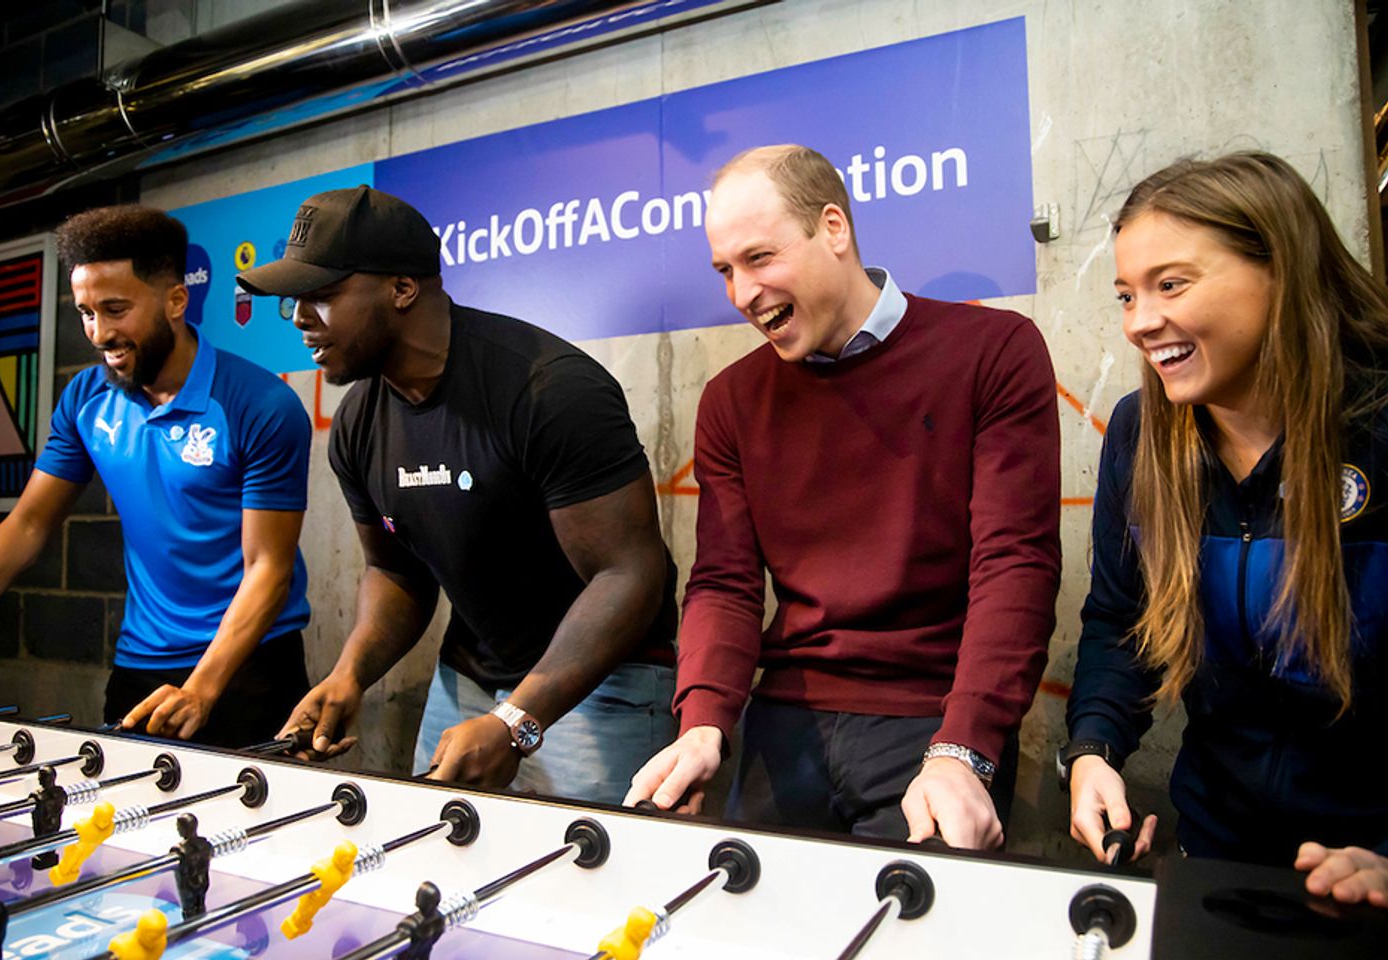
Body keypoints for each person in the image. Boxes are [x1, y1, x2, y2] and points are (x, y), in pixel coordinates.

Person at [624, 145, 1062, 847]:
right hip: (782, 727)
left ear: (834, 229)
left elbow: (1016, 564)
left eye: (760, 258)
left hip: (933, 728)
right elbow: (724, 582)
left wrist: (965, 748)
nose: (741, 294)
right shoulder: (730, 402)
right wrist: (704, 723)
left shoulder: (994, 352)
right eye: (725, 271)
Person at [240, 186, 678, 805]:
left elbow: (629, 574)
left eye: (323, 295)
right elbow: (394, 571)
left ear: (402, 288)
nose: (300, 318)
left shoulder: (549, 390)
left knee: (588, 890)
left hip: (604, 683)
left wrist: (517, 720)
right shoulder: (360, 423)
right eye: (294, 301)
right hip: (468, 679)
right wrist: (350, 674)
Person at [1063, 152, 1388, 908]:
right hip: (1215, 851)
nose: (1141, 323)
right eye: (1126, 295)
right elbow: (1121, 625)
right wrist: (1091, 752)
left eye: (1171, 284)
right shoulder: (1141, 434)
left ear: (1280, 269)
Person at [0, 205, 312, 748]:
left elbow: (269, 568)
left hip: (250, 665)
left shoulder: (260, 405)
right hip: (140, 663)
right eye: (86, 312)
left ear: (175, 300)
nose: (99, 333)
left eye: (115, 309)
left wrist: (202, 689)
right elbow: (27, 524)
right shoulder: (85, 399)